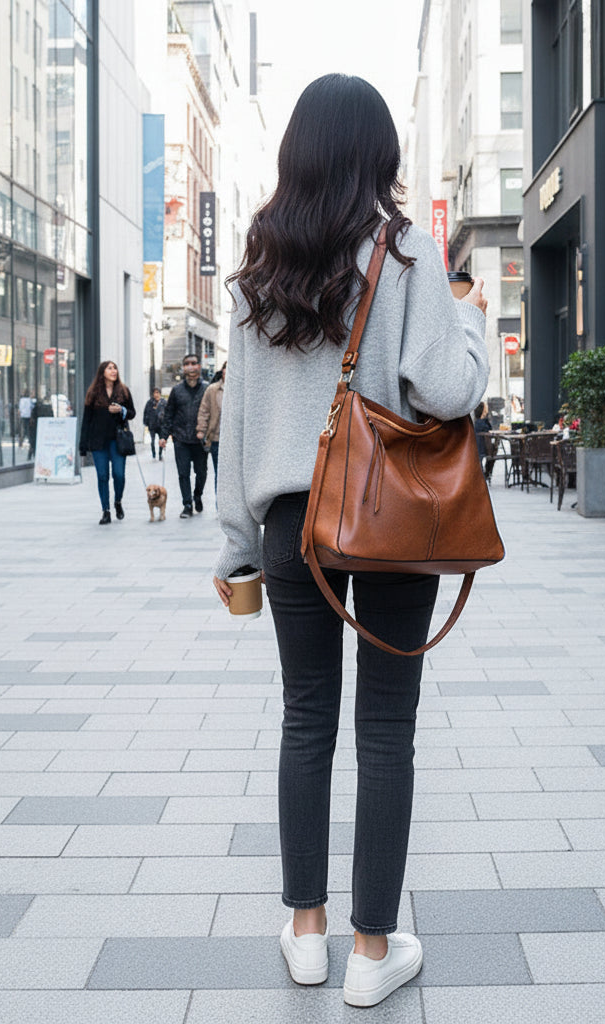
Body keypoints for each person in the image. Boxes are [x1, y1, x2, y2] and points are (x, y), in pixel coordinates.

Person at [211, 74, 488, 1008]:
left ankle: (306, 932)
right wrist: (471, 321)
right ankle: (373, 951)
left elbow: (239, 422)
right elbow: (446, 388)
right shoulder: (405, 251)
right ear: (380, 154)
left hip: (290, 523)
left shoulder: (259, 266)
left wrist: (235, 545)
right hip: (388, 517)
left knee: (305, 719)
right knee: (386, 729)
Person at [78, 360, 136, 524]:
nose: (113, 371)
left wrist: (121, 410)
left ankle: (118, 501)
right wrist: (83, 445)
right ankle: (106, 510)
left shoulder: (123, 391)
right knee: (102, 476)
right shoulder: (93, 393)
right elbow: (86, 420)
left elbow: (132, 413)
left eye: (115, 368)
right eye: (109, 368)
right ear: (102, 372)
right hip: (98, 441)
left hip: (117, 441)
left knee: (119, 475)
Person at [159, 354, 208, 517]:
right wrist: (164, 436)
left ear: (199, 366)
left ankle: (197, 495)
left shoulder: (207, 389)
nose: (190, 366)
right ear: (183, 368)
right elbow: (169, 414)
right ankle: (187, 504)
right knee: (183, 473)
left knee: (201, 472)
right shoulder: (177, 390)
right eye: (187, 364)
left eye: (194, 363)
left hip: (200, 440)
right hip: (181, 439)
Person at [196, 362, 224, 493]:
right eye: (226, 368)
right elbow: (204, 410)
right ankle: (220, 504)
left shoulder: (241, 388)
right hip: (217, 437)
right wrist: (201, 430)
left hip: (236, 440)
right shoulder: (212, 390)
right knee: (220, 473)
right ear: (222, 371)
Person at [142, 387, 166, 460]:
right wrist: (146, 422)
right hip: (152, 424)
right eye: (155, 393)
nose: (156, 395)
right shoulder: (149, 402)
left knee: (161, 440)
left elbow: (168, 413)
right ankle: (153, 454)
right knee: (152, 440)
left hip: (161, 425)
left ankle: (160, 454)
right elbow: (146, 412)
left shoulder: (164, 402)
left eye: (157, 393)